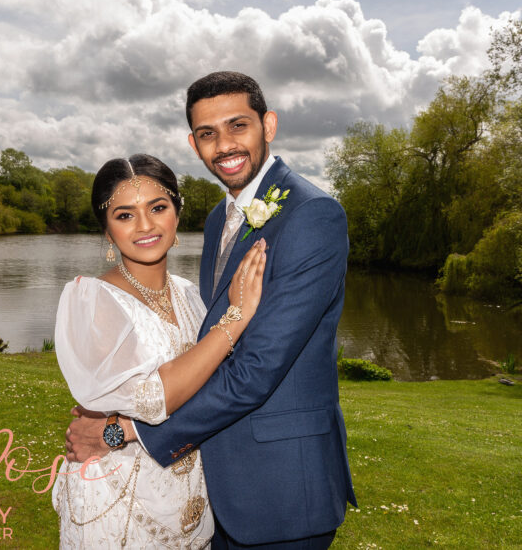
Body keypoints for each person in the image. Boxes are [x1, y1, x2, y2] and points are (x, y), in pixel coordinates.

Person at [66, 72, 357, 548]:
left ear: (269, 125)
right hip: (209, 486)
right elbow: (206, 349)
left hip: (280, 491)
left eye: (238, 125)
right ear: (193, 143)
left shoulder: (312, 216)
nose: (224, 145)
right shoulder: (221, 217)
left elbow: (255, 370)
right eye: (207, 134)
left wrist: (121, 433)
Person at [52, 153, 268, 548]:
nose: (146, 226)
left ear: (177, 214)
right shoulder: (92, 299)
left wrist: (114, 430)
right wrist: (235, 319)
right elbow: (154, 398)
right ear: (106, 230)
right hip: (119, 501)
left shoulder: (192, 295)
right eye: (124, 215)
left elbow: (216, 388)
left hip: (190, 499)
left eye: (158, 207)